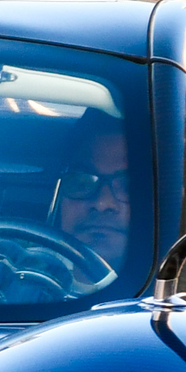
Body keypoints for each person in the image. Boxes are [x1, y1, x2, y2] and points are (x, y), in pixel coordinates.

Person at [50, 115, 132, 277]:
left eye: (129, 187)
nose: (103, 203)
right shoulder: (11, 278)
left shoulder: (176, 298)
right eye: (82, 182)